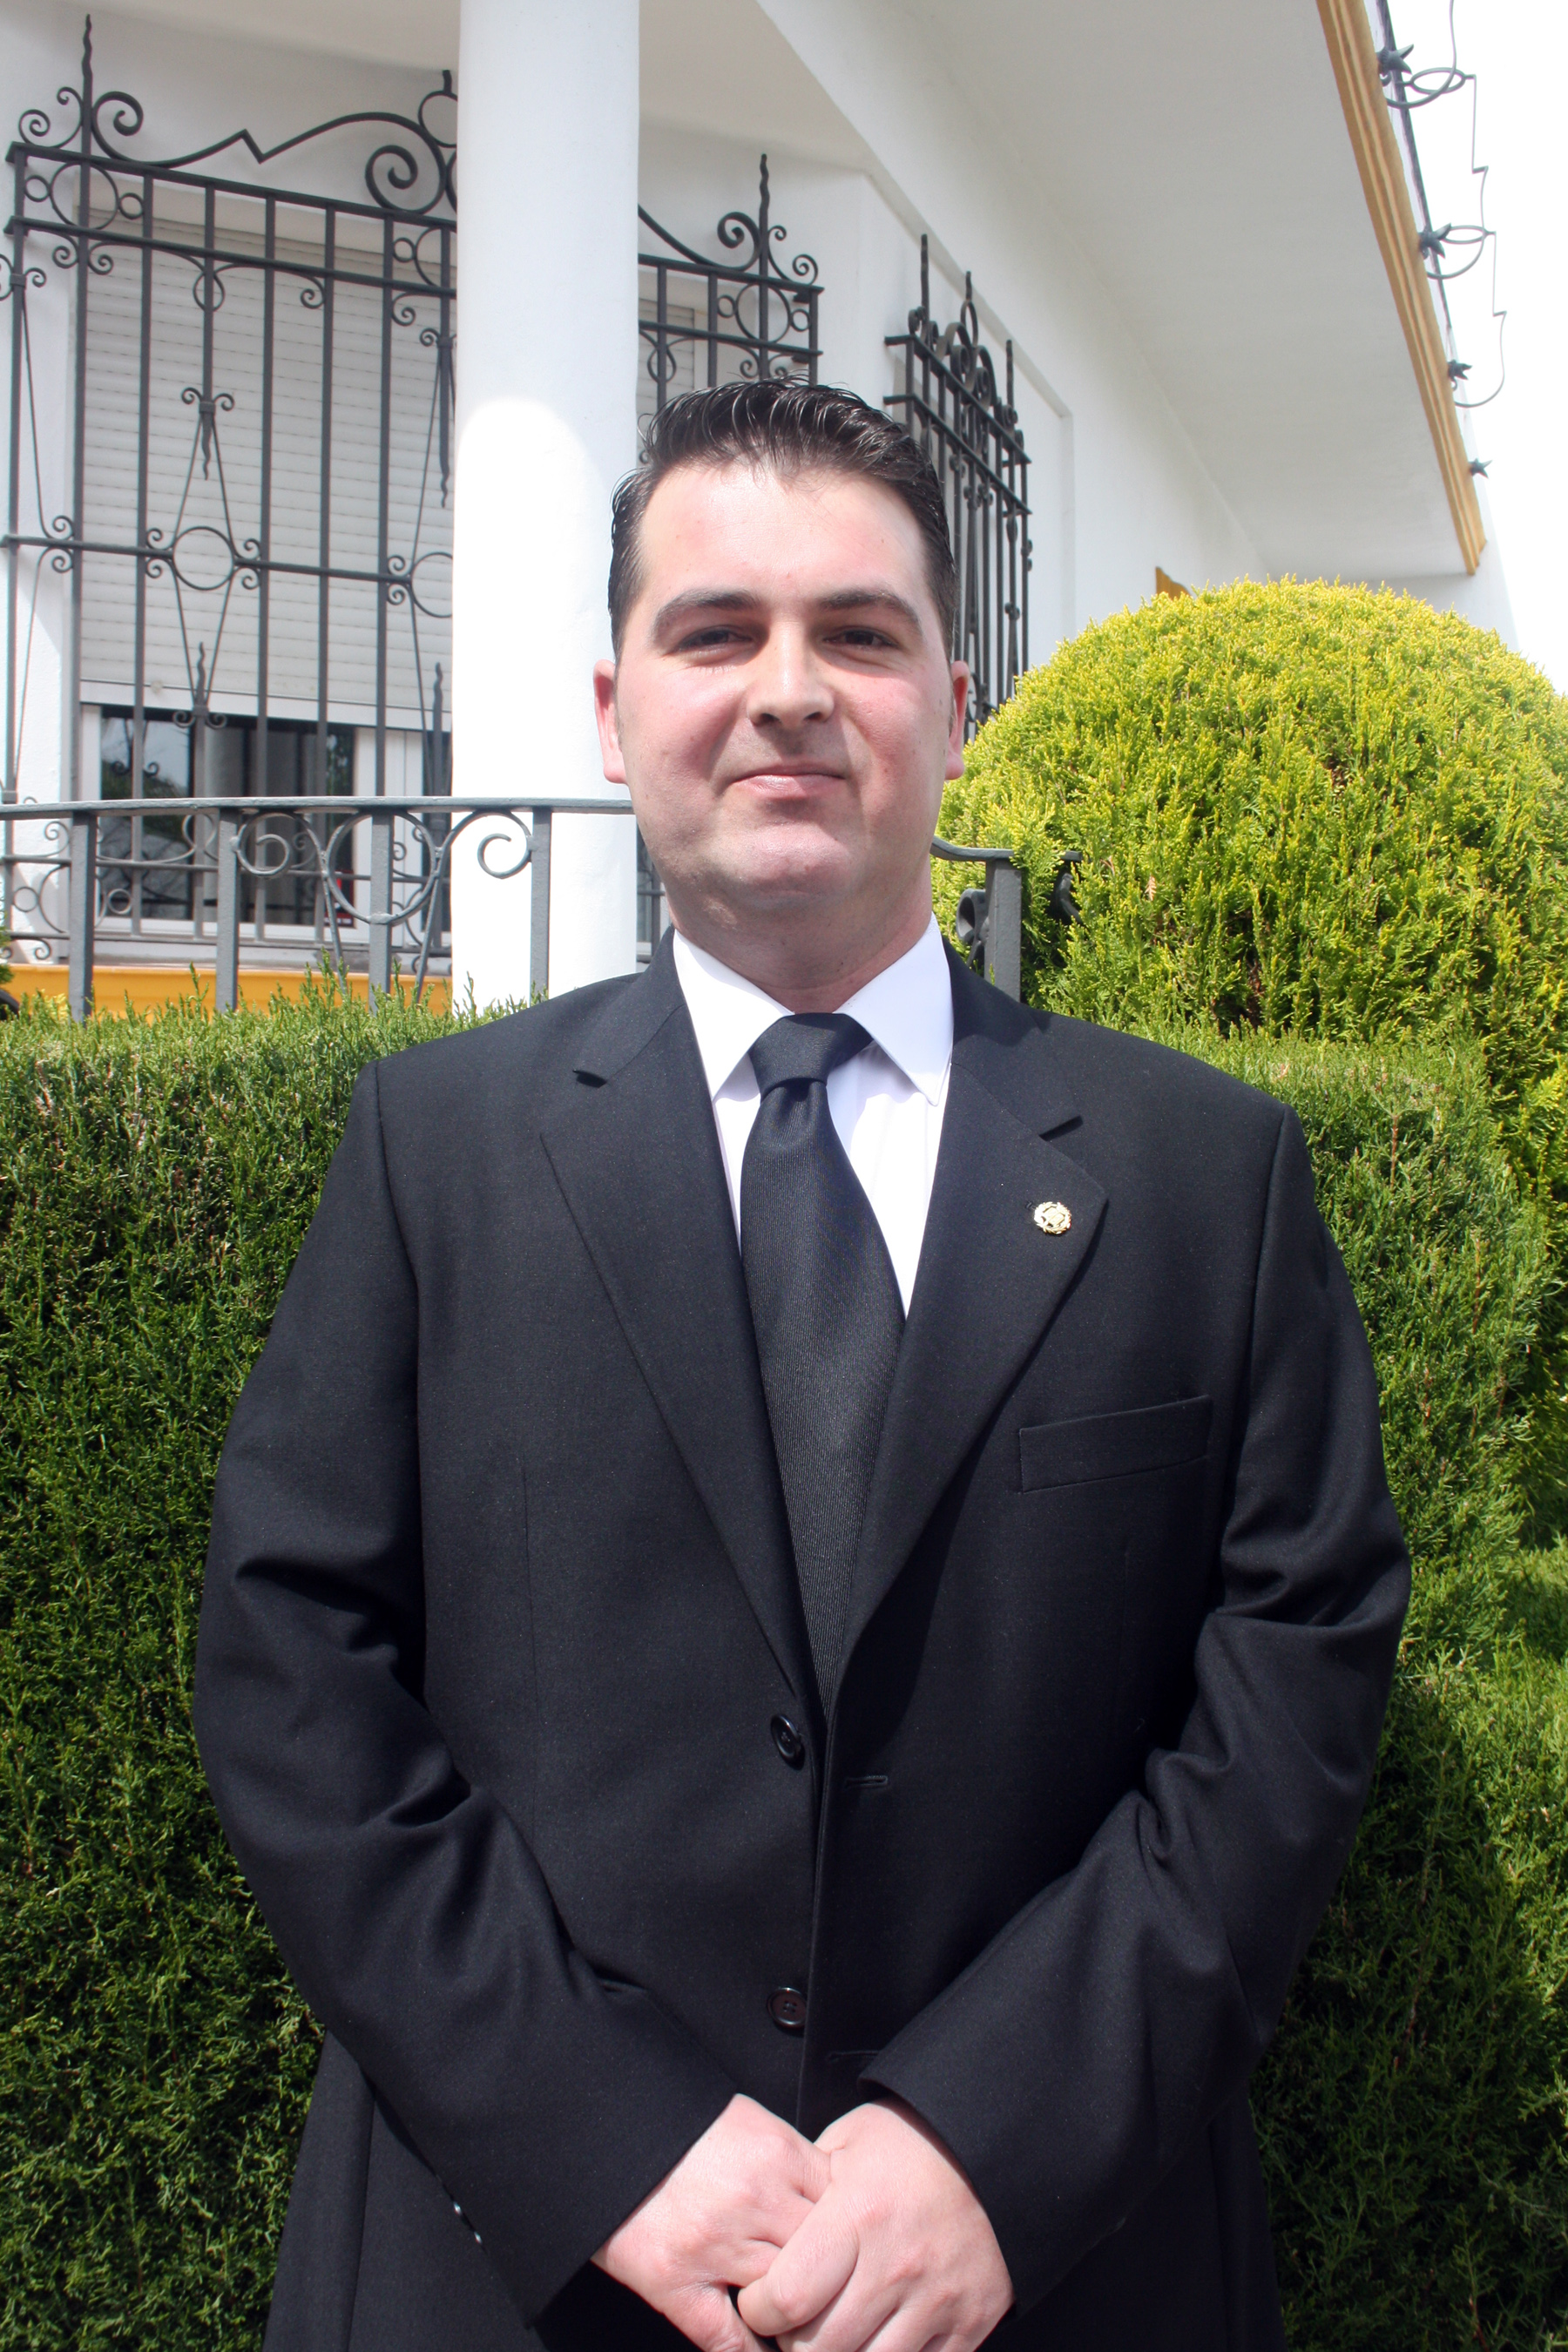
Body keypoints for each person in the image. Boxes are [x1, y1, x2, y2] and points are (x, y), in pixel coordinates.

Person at [194, 382, 1409, 2352]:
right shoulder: (434, 1153)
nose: (787, 693)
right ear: (615, 712)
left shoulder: (1208, 1178)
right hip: (522, 2268)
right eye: (715, 633)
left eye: (857, 633)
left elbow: (1293, 1679)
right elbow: (293, 1670)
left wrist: (995, 2144)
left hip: (1053, 2272)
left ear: (955, 703)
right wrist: (605, 2138)